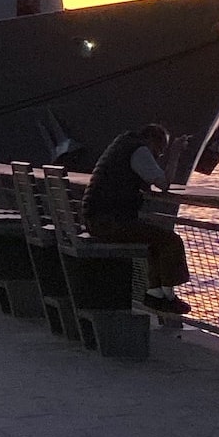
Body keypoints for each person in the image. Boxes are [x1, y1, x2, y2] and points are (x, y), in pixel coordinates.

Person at [82, 123, 192, 315]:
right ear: (152, 140)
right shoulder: (139, 151)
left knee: (154, 240)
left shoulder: (122, 145)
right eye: (159, 151)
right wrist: (175, 153)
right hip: (110, 222)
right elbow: (163, 183)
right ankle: (168, 296)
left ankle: (156, 293)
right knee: (171, 240)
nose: (158, 156)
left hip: (98, 219)